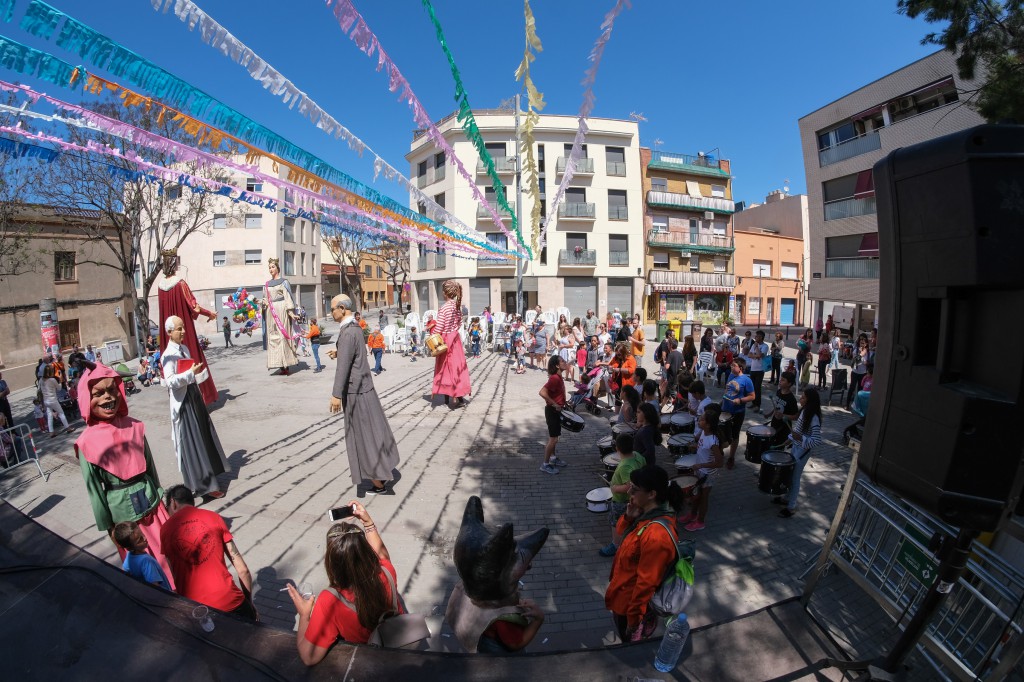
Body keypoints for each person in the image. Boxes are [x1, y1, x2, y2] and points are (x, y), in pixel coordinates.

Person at [75, 361, 174, 588]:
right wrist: (110, 527)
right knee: (146, 573)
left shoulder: (135, 426)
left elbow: (150, 467)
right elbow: (94, 493)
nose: (108, 398)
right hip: (124, 519)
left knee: (169, 554)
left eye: (112, 390)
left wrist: (160, 497)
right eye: (98, 393)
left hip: (152, 505)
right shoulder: (86, 442)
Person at [288, 503, 405, 663]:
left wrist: (304, 615)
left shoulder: (330, 600)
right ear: (365, 550)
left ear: (332, 561)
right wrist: (367, 522)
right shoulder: (386, 571)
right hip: (399, 648)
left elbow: (309, 657)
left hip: (367, 661)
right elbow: (381, 553)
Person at [329, 294, 401, 495]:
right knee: (373, 433)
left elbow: (343, 368)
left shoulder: (348, 333)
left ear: (342, 308)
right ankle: (381, 473)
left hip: (356, 391)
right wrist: (338, 352)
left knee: (364, 437)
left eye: (333, 308)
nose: (331, 312)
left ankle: (378, 482)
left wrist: (336, 394)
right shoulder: (354, 328)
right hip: (364, 388)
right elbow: (351, 355)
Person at [605, 465, 685, 642]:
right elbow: (620, 536)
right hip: (622, 594)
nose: (629, 492)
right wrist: (628, 517)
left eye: (634, 489)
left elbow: (646, 584)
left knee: (631, 645)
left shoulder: (657, 535)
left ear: (652, 494)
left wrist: (633, 621)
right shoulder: (643, 514)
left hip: (629, 605)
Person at [161, 485, 256, 619]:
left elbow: (174, 573)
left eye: (167, 509)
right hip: (231, 601)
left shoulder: (165, 530)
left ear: (173, 503)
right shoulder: (214, 517)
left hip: (196, 610)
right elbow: (243, 570)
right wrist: (248, 602)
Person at [161, 316, 230, 499]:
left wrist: (195, 373)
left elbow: (187, 373)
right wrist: (188, 374)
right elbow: (170, 381)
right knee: (193, 443)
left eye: (183, 328)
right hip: (183, 403)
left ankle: (213, 472)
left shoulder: (184, 348)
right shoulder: (167, 356)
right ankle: (205, 486)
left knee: (204, 436)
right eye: (178, 329)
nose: (183, 331)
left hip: (194, 395)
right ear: (169, 332)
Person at [157, 249, 218, 404]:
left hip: (169, 332)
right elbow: (194, 306)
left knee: (172, 362)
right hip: (184, 329)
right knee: (192, 357)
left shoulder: (160, 286)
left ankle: (178, 397)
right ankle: (202, 399)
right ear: (175, 262)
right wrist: (209, 313)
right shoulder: (180, 284)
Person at [775, 388, 823, 517]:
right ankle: (786, 498)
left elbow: (817, 440)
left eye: (803, 397)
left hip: (803, 451)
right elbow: (798, 430)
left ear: (809, 400)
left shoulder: (813, 418)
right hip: (796, 447)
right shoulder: (804, 411)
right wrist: (789, 439)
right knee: (791, 475)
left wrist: (800, 438)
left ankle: (791, 507)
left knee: (795, 478)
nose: (800, 399)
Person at [678, 406, 724, 532]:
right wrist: (695, 447)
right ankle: (692, 515)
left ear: (708, 425)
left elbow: (719, 463)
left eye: (702, 419)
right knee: (696, 495)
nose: (699, 420)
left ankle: (700, 522)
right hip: (700, 471)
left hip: (708, 474)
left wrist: (701, 465)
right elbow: (702, 448)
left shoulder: (713, 441)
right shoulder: (704, 432)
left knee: (703, 497)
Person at [599, 433, 645, 557]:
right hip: (633, 500)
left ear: (617, 449)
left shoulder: (625, 466)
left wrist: (614, 488)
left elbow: (630, 486)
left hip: (621, 501)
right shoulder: (638, 456)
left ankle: (615, 545)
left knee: (616, 523)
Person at [432, 281, 472, 406]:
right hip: (455, 338)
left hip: (445, 339)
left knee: (444, 367)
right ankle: (458, 396)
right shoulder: (457, 306)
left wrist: (431, 332)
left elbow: (439, 327)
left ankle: (447, 397)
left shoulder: (443, 308)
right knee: (457, 366)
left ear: (445, 293)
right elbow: (459, 323)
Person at [264, 257, 300, 376]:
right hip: (271, 311)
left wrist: (291, 313)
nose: (271, 269)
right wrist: (260, 304)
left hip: (282, 309)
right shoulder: (267, 284)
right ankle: (278, 364)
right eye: (269, 267)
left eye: (273, 267)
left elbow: (288, 297)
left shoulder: (284, 282)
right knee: (273, 337)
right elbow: (266, 298)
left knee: (283, 336)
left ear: (278, 268)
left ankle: (286, 364)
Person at [113, 520, 171, 590]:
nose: (144, 538)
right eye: (139, 540)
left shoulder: (128, 558)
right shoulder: (146, 562)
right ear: (129, 548)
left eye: (142, 534)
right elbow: (154, 588)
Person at [721, 358, 755, 469]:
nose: (731, 367)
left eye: (733, 365)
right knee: (722, 433)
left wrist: (740, 400)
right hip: (725, 409)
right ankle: (720, 453)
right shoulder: (731, 375)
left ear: (740, 368)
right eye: (731, 365)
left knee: (735, 436)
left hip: (737, 412)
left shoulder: (746, 380)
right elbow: (727, 390)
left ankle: (731, 457)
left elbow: (752, 396)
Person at [539, 355, 568, 475]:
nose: (565, 362)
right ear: (557, 365)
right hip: (552, 411)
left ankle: (553, 458)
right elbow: (542, 392)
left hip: (556, 410)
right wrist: (555, 404)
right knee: (553, 439)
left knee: (554, 437)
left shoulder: (559, 377)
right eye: (562, 361)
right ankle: (545, 465)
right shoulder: (555, 378)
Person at [40, 366, 74, 437]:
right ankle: (68, 428)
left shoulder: (41, 380)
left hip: (46, 400)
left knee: (49, 415)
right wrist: (60, 379)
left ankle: (51, 432)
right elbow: (59, 388)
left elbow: (40, 390)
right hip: (53, 399)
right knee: (61, 413)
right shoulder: (52, 380)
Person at [768, 371, 800, 448]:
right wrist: (769, 413)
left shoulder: (791, 399)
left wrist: (783, 415)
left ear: (789, 384)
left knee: (779, 449)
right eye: (780, 379)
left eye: (783, 380)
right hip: (774, 423)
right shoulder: (779, 392)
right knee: (771, 444)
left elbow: (796, 417)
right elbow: (776, 406)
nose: (780, 381)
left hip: (784, 428)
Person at [748, 330, 770, 413]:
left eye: (757, 336)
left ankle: (758, 405)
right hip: (753, 368)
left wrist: (757, 348)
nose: (755, 337)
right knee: (752, 388)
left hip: (760, 369)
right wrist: (755, 355)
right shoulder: (753, 345)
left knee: (757, 388)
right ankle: (753, 403)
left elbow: (760, 355)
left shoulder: (765, 346)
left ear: (761, 337)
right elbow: (749, 355)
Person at [848, 335, 871, 409]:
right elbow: (855, 359)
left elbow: (868, 363)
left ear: (866, 344)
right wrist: (860, 354)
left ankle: (857, 405)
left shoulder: (867, 352)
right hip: (855, 371)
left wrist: (863, 360)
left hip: (863, 373)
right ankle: (847, 404)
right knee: (852, 387)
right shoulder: (856, 350)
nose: (862, 344)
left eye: (863, 343)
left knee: (860, 389)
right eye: (861, 343)